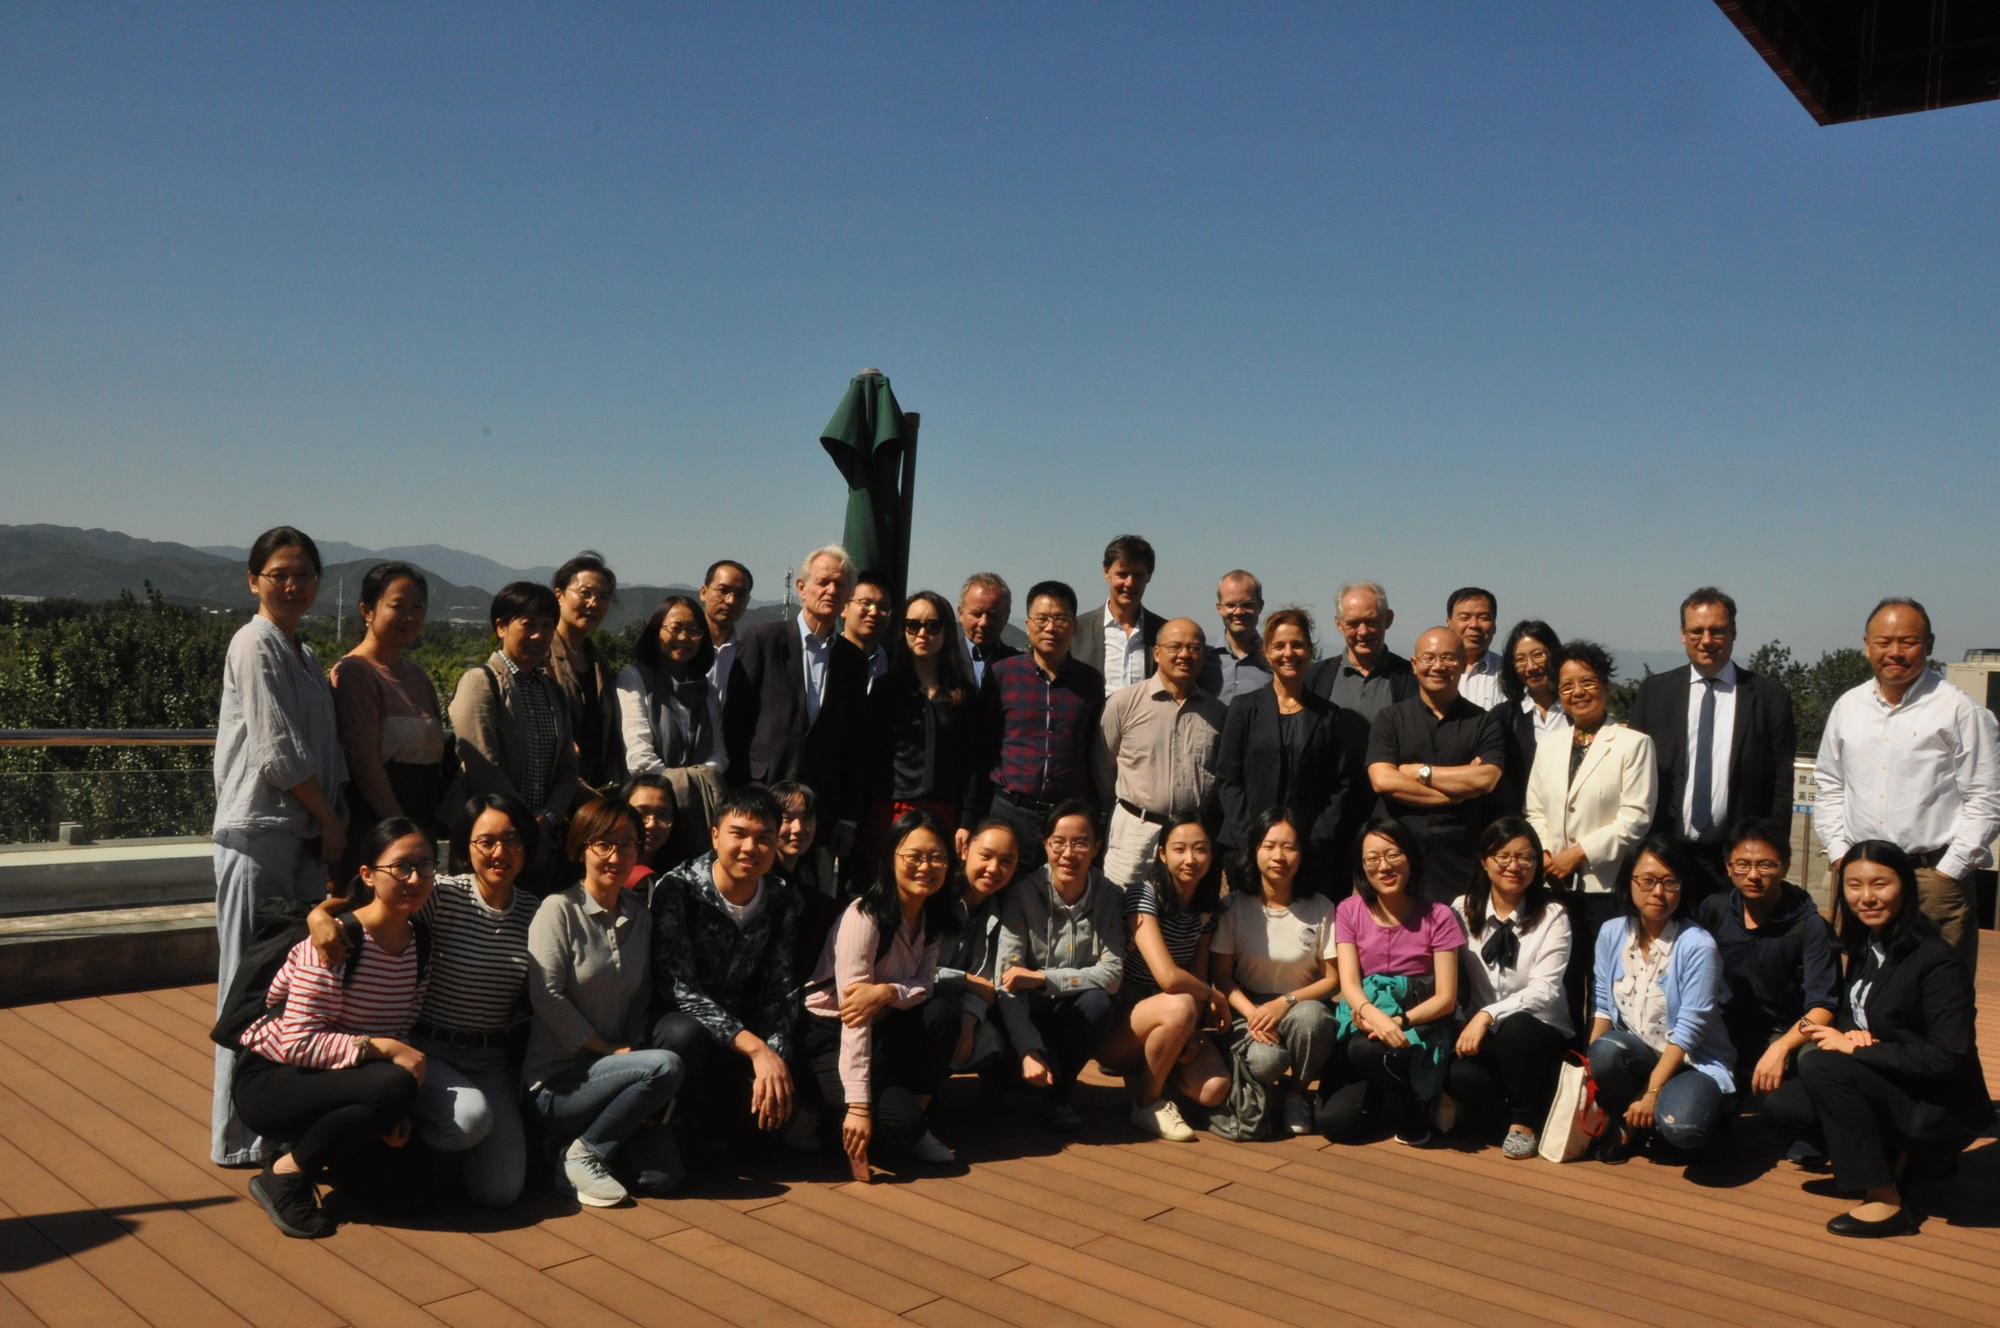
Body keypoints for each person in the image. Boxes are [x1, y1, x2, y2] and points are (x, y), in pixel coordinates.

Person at [306, 797, 540, 1210]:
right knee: (469, 1121)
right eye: (486, 841)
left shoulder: (535, 913)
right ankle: (389, 1138)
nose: (499, 852)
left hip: (490, 1060)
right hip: (429, 1049)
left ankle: (435, 1153)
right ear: (466, 846)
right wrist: (319, 916)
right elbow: (363, 899)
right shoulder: (441, 894)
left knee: (499, 1191)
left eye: (511, 840)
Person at [1764, 841, 1994, 1237]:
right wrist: (1851, 1031)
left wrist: (1856, 1047)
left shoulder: (1936, 959)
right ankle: (1902, 1159)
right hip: (1893, 1081)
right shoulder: (1869, 943)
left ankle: (1886, 1199)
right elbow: (1854, 1008)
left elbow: (1949, 1056)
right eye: (1854, 885)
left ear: (1904, 886)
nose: (1866, 897)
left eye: (1880, 884)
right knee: (1785, 1106)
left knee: (1821, 1064)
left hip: (1937, 1101)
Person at [211, 526, 349, 1167]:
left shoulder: (302, 652)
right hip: (258, 831)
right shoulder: (254, 642)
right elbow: (277, 752)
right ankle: (236, 1136)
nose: (292, 585)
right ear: (253, 581)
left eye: (304, 575)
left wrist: (332, 817)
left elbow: (325, 749)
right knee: (247, 986)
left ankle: (276, 1123)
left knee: (292, 990)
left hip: (301, 835)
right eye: (279, 574)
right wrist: (330, 818)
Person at [232, 817, 440, 1237]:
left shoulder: (420, 942)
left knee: (409, 1197)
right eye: (401, 867)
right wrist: (382, 1051)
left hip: (348, 1081)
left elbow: (402, 1026)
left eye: (425, 866)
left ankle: (322, 1151)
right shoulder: (336, 941)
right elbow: (297, 1042)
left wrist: (397, 1110)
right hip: (274, 1079)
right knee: (395, 1082)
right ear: (368, 874)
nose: (415, 878)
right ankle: (285, 1172)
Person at [1814, 597, 2000, 972]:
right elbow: (1830, 785)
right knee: (1863, 983)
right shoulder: (1848, 707)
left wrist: (1949, 871)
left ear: (1929, 644)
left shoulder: (1959, 710)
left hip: (1931, 877)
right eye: (1884, 642)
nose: (1895, 652)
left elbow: (1986, 798)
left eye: (1908, 641)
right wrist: (1840, 854)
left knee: (1939, 988)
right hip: (1863, 873)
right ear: (1867, 645)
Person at [525, 798, 684, 1206]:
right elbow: (547, 997)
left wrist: (630, 1055)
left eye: (626, 844)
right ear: (580, 848)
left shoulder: (640, 917)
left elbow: (640, 998)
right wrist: (607, 1050)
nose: (616, 856)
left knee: (659, 1178)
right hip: (559, 1082)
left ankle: (570, 1148)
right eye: (603, 844)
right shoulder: (558, 910)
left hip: (619, 1075)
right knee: (666, 1065)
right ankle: (584, 1154)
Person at [803, 809, 963, 1177]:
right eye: (914, 856)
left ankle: (915, 1121)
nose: (926, 867)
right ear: (891, 858)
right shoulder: (865, 917)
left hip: (885, 1022)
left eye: (937, 857)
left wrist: (887, 992)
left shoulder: (931, 917)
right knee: (896, 1123)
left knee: (943, 1011)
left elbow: (925, 984)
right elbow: (854, 1020)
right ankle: (816, 1111)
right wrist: (859, 1107)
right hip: (831, 1033)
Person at [648, 787, 801, 1144]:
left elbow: (780, 988)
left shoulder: (779, 896)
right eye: (739, 834)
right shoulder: (679, 889)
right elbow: (681, 992)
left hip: (741, 1033)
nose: (750, 847)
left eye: (763, 838)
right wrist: (756, 1048)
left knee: (771, 1117)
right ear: (715, 836)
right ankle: (660, 1127)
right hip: (682, 1027)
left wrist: (774, 1059)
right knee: (684, 1034)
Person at [1626, 588, 1798, 900]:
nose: (1706, 640)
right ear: (1683, 634)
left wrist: (1772, 853)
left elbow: (1781, 788)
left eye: (1717, 631)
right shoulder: (1654, 693)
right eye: (1697, 631)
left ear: (1733, 633)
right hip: (1666, 857)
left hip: (1737, 862)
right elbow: (1631, 775)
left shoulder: (1769, 698)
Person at [1523, 639, 1657, 1030]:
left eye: (1587, 682)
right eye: (1567, 686)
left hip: (1606, 887)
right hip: (1555, 885)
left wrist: (1579, 852)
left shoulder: (1633, 744)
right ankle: (1563, 1054)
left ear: (1605, 685)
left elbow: (1636, 818)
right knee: (1560, 979)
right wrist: (1545, 853)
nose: (1577, 692)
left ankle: (1601, 1056)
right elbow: (1535, 809)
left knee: (1607, 982)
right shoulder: (1550, 745)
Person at [1585, 836, 1736, 1162]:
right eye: (1648, 880)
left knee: (1682, 1128)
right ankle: (1628, 1120)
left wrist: (1651, 1092)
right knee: (1604, 1052)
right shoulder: (1612, 932)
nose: (1658, 892)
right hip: (1638, 1055)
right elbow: (1602, 1005)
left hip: (1691, 1063)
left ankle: (1699, 1107)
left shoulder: (1697, 945)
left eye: (1670, 882)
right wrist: (1589, 1073)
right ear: (1629, 882)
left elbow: (1689, 1031)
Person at [1319, 819, 1464, 1146]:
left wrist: (1399, 1021)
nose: (1383, 866)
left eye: (1393, 854)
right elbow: (1350, 984)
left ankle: (1416, 1100)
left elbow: (1446, 998)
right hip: (1368, 1016)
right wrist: (1375, 1016)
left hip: (1421, 1022)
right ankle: (1394, 1093)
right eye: (1372, 859)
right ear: (1361, 866)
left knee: (1364, 1049)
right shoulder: (1349, 910)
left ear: (1410, 857)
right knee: (1336, 1124)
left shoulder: (1438, 915)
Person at [723, 545, 870, 845]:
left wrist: (847, 818)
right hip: (761, 800)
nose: (831, 590)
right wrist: (736, 797)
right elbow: (734, 726)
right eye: (823, 582)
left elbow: (856, 743)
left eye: (840, 585)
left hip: (820, 812)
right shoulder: (763, 641)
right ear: (801, 588)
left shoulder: (853, 660)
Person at [992, 801, 1126, 1129]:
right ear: (1045, 845)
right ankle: (1003, 1083)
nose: (1068, 853)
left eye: (1080, 843)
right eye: (1058, 842)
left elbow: (1112, 975)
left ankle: (1061, 1095)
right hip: (1026, 1014)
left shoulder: (1109, 896)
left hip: (1069, 1013)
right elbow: (1007, 982)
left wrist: (1041, 978)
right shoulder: (1023, 895)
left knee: (1098, 1003)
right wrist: (1027, 1050)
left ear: (1096, 848)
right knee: (1013, 1073)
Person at [1098, 818, 1232, 1141]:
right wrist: (1216, 996)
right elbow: (1168, 977)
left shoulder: (1206, 911)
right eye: (1179, 849)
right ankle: (1147, 1102)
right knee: (1180, 1004)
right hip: (1122, 1021)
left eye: (1200, 850)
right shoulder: (1142, 895)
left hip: (1177, 1017)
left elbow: (1197, 977)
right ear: (1162, 854)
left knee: (1214, 1089)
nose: (1190, 859)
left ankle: (1151, 1076)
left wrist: (1193, 1030)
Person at [1447, 817, 1573, 1159]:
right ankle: (1504, 1105)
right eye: (1502, 856)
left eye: (1525, 858)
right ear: (1484, 860)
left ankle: (1524, 1122)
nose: (1514, 866)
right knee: (1460, 1076)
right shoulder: (1461, 908)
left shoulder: (1552, 915)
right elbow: (1448, 973)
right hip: (1486, 1035)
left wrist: (1487, 1014)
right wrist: (1463, 1018)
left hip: (1539, 1033)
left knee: (1517, 1027)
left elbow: (1545, 990)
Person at [446, 581, 583, 890]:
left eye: (547, 626)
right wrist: (524, 826)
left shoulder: (553, 692)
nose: (538, 636)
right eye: (528, 625)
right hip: (490, 843)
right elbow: (481, 765)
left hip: (542, 844)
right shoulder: (481, 681)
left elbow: (566, 769)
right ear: (501, 627)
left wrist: (547, 819)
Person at [1212, 808, 1341, 1135]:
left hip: (1300, 1003)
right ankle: (1264, 1092)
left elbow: (1332, 979)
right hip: (1248, 1007)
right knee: (1267, 1061)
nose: (1278, 857)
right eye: (1268, 846)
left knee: (1314, 1021)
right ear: (1254, 850)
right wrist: (1253, 1013)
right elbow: (1222, 976)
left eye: (1289, 847)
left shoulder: (1321, 907)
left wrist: (1285, 1002)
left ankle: (1297, 1093)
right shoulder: (1234, 906)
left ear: (1302, 854)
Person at [966, 580, 1105, 872]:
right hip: (1010, 811)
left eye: (1060, 619)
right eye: (1042, 619)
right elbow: (982, 749)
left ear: (1074, 626)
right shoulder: (1003, 674)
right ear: (1028, 624)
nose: (1050, 628)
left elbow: (1092, 750)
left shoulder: (1090, 681)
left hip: (1066, 818)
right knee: (1005, 890)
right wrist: (970, 819)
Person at [1694, 818, 1838, 1097]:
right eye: (1742, 864)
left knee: (1814, 1065)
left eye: (1765, 865)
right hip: (1722, 1029)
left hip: (1783, 1031)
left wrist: (1782, 1046)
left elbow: (1823, 1007)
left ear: (1785, 867)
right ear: (1728, 867)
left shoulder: (1809, 925)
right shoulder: (1714, 910)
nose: (1753, 875)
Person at [1213, 607, 1348, 895]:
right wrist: (1253, 841)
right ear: (1266, 652)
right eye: (1279, 646)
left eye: (1297, 644)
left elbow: (1340, 785)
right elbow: (1227, 779)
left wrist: (1314, 840)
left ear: (1310, 651)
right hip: (1246, 849)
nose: (1289, 653)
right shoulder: (1244, 708)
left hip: (1308, 854)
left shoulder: (1329, 715)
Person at [1365, 625, 1505, 899]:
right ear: (1414, 664)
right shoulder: (1390, 719)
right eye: (1429, 658)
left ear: (1463, 664)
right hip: (1396, 856)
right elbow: (1383, 780)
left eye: (1448, 658)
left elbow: (1486, 779)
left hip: (1459, 860)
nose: (1438, 666)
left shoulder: (1484, 722)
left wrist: (1422, 772)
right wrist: (1456, 795)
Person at [1092, 617, 1228, 886]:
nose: (1184, 655)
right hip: (1135, 832)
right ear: (1156, 653)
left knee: (1186, 909)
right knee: (1122, 905)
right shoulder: (1124, 703)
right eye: (1175, 647)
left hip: (1191, 837)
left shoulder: (1217, 713)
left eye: (1194, 648)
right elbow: (1103, 766)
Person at [329, 562, 446, 860]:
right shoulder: (355, 672)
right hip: (376, 831)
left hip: (421, 822)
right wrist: (402, 830)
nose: (409, 616)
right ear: (367, 610)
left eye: (417, 607)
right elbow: (364, 764)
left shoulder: (418, 677)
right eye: (398, 606)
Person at [862, 589, 981, 873]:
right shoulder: (886, 689)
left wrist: (967, 821)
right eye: (913, 625)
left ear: (946, 631)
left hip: (946, 813)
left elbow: (974, 764)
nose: (922, 633)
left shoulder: (964, 695)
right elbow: (867, 759)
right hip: (892, 810)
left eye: (933, 625)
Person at [616, 593, 727, 864]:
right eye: (676, 628)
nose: (684, 637)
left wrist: (693, 783)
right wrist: (681, 788)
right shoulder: (634, 679)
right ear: (657, 631)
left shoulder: (707, 690)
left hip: (700, 814)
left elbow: (719, 755)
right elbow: (639, 757)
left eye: (694, 631)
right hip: (650, 813)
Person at [938, 820, 1025, 1075]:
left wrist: (969, 1022)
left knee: (990, 1042)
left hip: (958, 1002)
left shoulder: (1002, 909)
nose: (994, 869)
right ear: (965, 851)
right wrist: (966, 980)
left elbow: (985, 983)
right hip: (916, 1000)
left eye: (1006, 861)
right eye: (986, 856)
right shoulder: (938, 896)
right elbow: (915, 971)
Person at [547, 552, 625, 796]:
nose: (594, 603)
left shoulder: (600, 663)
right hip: (551, 788)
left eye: (603, 597)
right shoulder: (540, 656)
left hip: (595, 790)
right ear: (559, 596)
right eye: (586, 593)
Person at [1073, 534, 1168, 697]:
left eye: (1137, 575)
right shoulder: (1077, 630)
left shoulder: (1163, 632)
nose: (1129, 583)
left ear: (1149, 576)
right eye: (1122, 574)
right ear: (1106, 572)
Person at [1491, 620, 1567, 818]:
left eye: (1538, 654)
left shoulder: (1576, 711)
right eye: (1520, 660)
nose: (1531, 667)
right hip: (1524, 825)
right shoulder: (1503, 718)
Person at [1196, 569, 1270, 704]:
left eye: (1247, 605)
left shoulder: (1273, 660)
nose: (1239, 612)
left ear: (1260, 606)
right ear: (1219, 608)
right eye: (1231, 605)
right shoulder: (1200, 657)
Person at [698, 559, 754, 707]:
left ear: (747, 601)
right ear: (703, 592)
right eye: (723, 591)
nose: (731, 601)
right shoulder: (683, 646)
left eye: (740, 595)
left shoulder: (748, 654)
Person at [1446, 587, 1505, 711]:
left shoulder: (1509, 673)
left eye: (1483, 618)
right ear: (1449, 624)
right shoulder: (1433, 672)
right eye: (1465, 617)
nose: (1474, 625)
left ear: (1494, 626)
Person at [957, 571, 1019, 690]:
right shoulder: (943, 661)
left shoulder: (1020, 666)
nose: (983, 623)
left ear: (1006, 616)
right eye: (977, 614)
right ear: (961, 613)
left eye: (992, 615)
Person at [621, 771, 679, 885]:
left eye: (662, 815)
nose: (651, 824)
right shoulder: (602, 868)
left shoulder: (680, 880)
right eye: (641, 814)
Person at [841, 569, 895, 693]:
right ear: (844, 607)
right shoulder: (826, 656)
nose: (874, 612)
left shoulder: (894, 665)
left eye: (883, 607)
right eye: (865, 603)